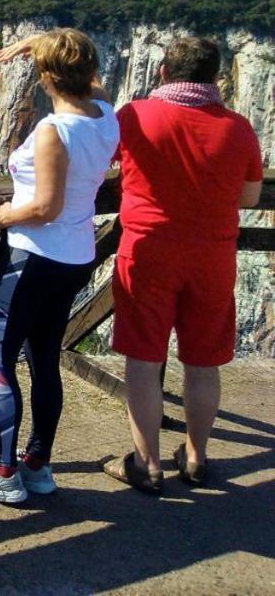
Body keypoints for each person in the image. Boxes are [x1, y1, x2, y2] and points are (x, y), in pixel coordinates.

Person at [0, 28, 119, 504]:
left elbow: (45, 206)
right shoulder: (105, 116)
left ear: (45, 77)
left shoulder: (53, 131)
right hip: (76, 258)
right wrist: (44, 43)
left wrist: (4, 215)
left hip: (34, 257)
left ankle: (2, 469)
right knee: (44, 359)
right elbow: (96, 84)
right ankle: (37, 465)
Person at [103, 36, 264, 494]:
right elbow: (249, 196)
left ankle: (147, 463)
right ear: (216, 77)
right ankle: (195, 457)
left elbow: (102, 163)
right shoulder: (238, 128)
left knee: (143, 357)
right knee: (202, 361)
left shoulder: (135, 115)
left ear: (162, 73)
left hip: (149, 251)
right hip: (212, 258)